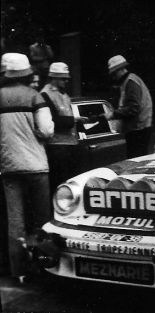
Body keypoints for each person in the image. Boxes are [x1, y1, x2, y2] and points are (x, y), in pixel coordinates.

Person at [0, 53, 54, 282]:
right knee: (42, 219)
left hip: (9, 166)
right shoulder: (35, 96)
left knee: (15, 221)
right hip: (36, 166)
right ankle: (45, 267)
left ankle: (19, 272)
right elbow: (47, 131)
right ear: (26, 73)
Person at [40, 62, 87, 190]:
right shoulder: (45, 94)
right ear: (53, 78)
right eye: (63, 78)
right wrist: (75, 120)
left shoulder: (64, 95)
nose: (66, 81)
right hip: (57, 146)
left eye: (67, 78)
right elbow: (53, 121)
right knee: (59, 184)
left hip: (70, 145)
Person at [102, 55, 153, 158]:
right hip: (140, 128)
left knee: (135, 162)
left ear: (120, 70)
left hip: (138, 130)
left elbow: (133, 108)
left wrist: (113, 114)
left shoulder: (130, 82)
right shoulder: (130, 81)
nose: (114, 77)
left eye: (114, 74)